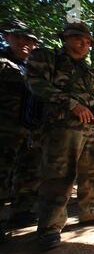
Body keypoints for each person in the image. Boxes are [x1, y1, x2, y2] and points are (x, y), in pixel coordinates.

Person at [26, 22, 94, 250]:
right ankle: (50, 228)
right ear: (65, 38)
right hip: (60, 127)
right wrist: (72, 104)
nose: (84, 45)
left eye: (87, 42)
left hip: (91, 129)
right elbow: (36, 84)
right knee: (59, 175)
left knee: (92, 172)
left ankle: (90, 212)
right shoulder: (48, 57)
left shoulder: (92, 71)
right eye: (78, 40)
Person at [0, 19, 39, 242]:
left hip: (30, 131)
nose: (25, 43)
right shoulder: (2, 62)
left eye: (30, 40)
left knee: (29, 172)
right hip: (5, 131)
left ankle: (21, 213)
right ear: (7, 37)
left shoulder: (34, 70)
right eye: (19, 37)